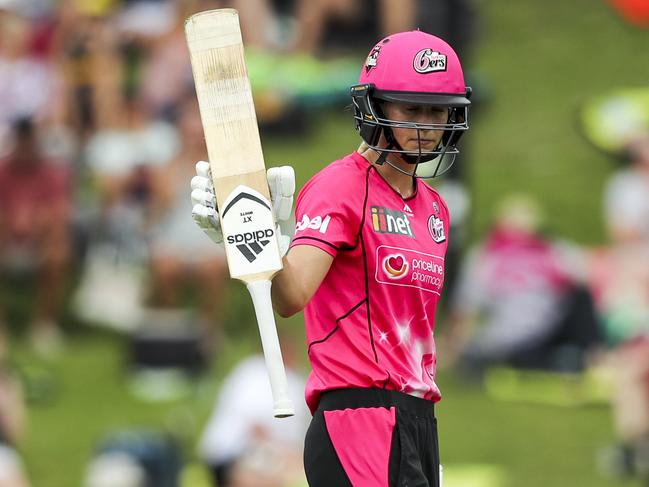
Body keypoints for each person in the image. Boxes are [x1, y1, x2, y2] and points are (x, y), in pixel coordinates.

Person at [191, 31, 471, 486]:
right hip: (358, 417)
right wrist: (255, 239)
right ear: (377, 107)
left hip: (418, 420)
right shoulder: (341, 187)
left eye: (437, 110)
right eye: (410, 108)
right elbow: (292, 293)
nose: (426, 125)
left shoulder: (435, 209)